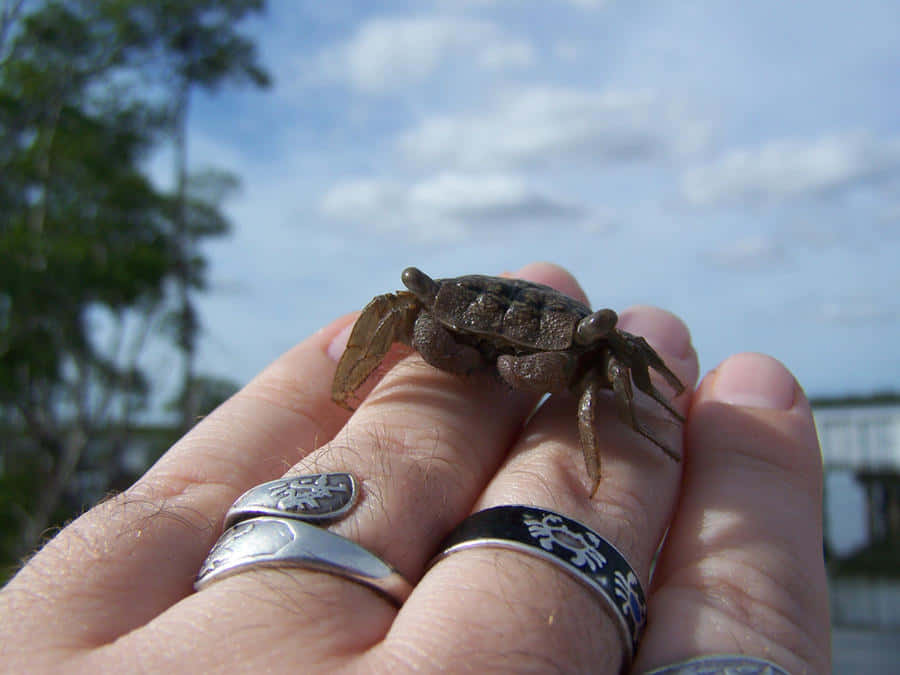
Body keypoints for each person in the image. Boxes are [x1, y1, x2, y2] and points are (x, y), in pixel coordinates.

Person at [0, 263, 830, 674]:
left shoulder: (598, 340)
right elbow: (418, 315)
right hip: (486, 327)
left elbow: (621, 363)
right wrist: (365, 367)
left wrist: (637, 418)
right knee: (414, 314)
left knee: (595, 395)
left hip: (568, 359)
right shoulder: (427, 307)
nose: (502, 330)